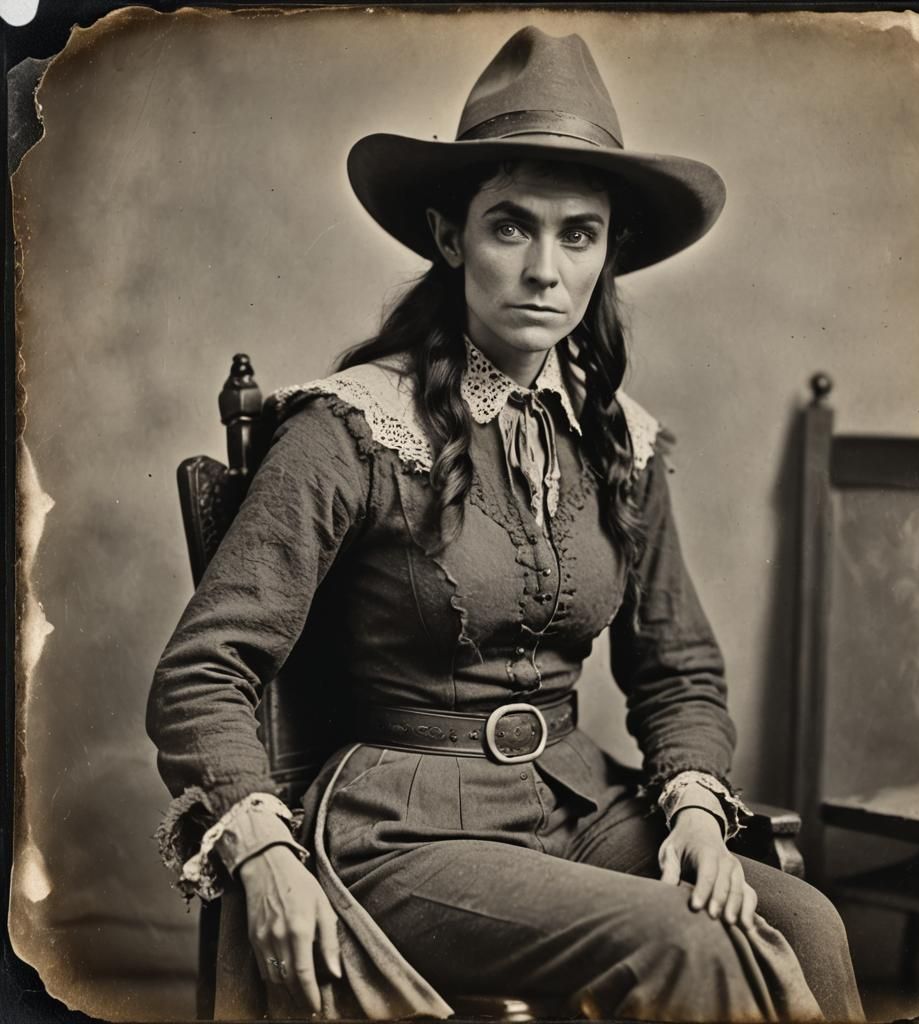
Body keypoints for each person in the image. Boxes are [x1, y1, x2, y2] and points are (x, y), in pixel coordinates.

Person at [147, 26, 864, 1023]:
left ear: (608, 252)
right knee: (686, 941)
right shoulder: (351, 429)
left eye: (577, 235)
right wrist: (261, 845)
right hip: (402, 831)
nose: (543, 269)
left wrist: (694, 805)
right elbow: (202, 669)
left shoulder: (618, 441)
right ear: (451, 238)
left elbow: (678, 667)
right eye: (510, 227)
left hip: (577, 806)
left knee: (806, 923)